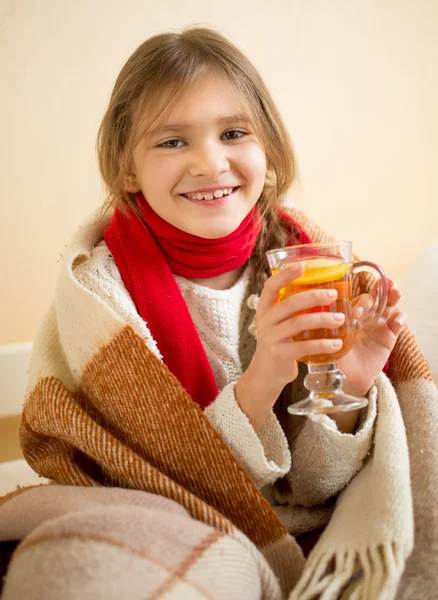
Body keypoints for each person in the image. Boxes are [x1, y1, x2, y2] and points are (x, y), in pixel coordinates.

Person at [15, 27, 422, 599]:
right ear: (127, 169)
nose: (210, 163)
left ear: (268, 151)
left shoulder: (304, 256)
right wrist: (266, 375)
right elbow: (160, 486)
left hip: (300, 526)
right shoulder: (99, 293)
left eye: (233, 132)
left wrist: (348, 383)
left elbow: (313, 489)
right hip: (166, 517)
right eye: (171, 142)